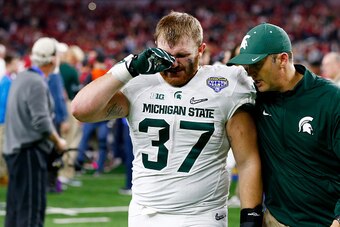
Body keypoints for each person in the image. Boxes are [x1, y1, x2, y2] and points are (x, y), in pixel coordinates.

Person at [72, 11, 262, 227]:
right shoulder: (139, 82)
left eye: (182, 55)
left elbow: (247, 160)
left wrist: (251, 216)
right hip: (145, 214)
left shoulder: (226, 84)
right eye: (166, 55)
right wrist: (128, 68)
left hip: (201, 216)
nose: (173, 63)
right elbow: (80, 110)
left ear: (201, 50)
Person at [227, 23, 340, 227]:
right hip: (275, 220)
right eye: (247, 66)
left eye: (256, 64)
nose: (250, 72)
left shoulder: (331, 100)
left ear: (282, 59)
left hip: (324, 222)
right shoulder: (253, 96)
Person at [3, 37, 67, 227]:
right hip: (29, 152)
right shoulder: (36, 82)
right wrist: (58, 141)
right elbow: (42, 122)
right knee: (31, 210)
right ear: (52, 59)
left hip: (16, 150)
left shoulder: (22, 77)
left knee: (15, 209)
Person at [0, 53, 20, 185]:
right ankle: (2, 175)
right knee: (2, 147)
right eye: (15, 63)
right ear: (9, 64)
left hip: (4, 119)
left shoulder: (7, 80)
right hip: (4, 120)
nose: (17, 65)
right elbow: (5, 102)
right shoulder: (7, 81)